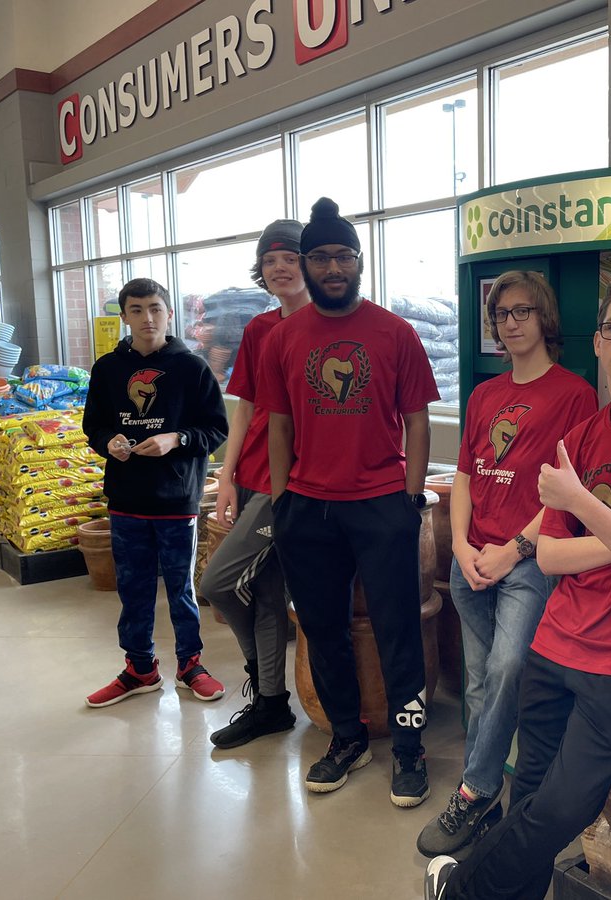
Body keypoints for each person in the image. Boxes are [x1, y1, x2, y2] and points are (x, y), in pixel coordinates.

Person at [425, 272, 611, 900]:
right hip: (553, 648)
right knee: (530, 795)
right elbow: (552, 556)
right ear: (596, 340)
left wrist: (584, 503)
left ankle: (461, 890)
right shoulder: (581, 438)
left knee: (560, 810)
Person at [257, 196, 439, 808]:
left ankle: (409, 749)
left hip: (382, 501)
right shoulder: (283, 338)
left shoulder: (396, 332)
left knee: (398, 631)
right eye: (320, 257)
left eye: (342, 256)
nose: (332, 268)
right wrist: (283, 501)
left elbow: (418, 421)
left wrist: (410, 496)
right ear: (304, 264)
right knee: (323, 629)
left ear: (359, 261)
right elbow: (277, 426)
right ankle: (347, 738)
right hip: (307, 508)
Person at [415, 271, 597, 859]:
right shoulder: (484, 395)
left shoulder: (574, 394)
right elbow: (466, 476)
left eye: (522, 311)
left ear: (545, 318)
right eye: (502, 314)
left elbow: (571, 492)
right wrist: (462, 547)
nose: (511, 322)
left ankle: (476, 788)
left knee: (508, 667)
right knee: (476, 679)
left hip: (527, 561)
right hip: (474, 560)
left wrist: (511, 550)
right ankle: (489, 791)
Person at [83, 277, 230, 708]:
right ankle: (140, 668)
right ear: (125, 316)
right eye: (136, 310)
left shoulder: (192, 368)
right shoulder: (108, 369)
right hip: (126, 498)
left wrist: (176, 439)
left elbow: (215, 429)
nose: (147, 318)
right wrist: (107, 440)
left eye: (155, 309)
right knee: (133, 587)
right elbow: (94, 424)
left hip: (175, 498)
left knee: (181, 588)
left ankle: (190, 665)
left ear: (168, 313)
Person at [199, 220, 309, 748]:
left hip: (290, 484)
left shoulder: (327, 325)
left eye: (289, 257)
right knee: (265, 595)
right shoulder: (262, 330)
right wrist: (226, 474)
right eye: (270, 261)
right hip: (251, 477)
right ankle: (271, 703)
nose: (280, 268)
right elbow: (244, 406)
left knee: (217, 583)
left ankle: (264, 688)